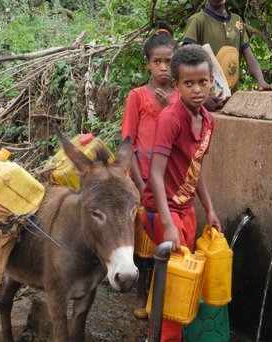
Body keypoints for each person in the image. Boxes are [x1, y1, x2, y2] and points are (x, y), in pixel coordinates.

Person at [140, 44, 221, 342]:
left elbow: (195, 167)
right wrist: (169, 223)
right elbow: (155, 174)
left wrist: (210, 209)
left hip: (184, 207)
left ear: (211, 81)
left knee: (181, 277)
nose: (197, 90)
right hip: (162, 210)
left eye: (203, 82)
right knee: (175, 279)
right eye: (189, 84)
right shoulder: (171, 117)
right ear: (176, 84)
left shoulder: (208, 120)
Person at [121, 22, 180, 320]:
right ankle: (141, 290)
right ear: (148, 64)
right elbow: (128, 142)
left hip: (171, 181)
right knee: (143, 240)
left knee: (165, 241)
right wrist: (141, 183)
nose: (163, 68)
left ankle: (162, 294)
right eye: (157, 62)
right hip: (143, 176)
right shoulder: (137, 96)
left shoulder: (181, 98)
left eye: (169, 62)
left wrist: (169, 103)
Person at [183, 0, 272, 111]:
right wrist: (202, 99)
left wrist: (261, 80)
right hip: (207, 101)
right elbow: (185, 60)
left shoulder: (237, 21)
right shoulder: (198, 20)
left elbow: (248, 54)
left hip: (232, 100)